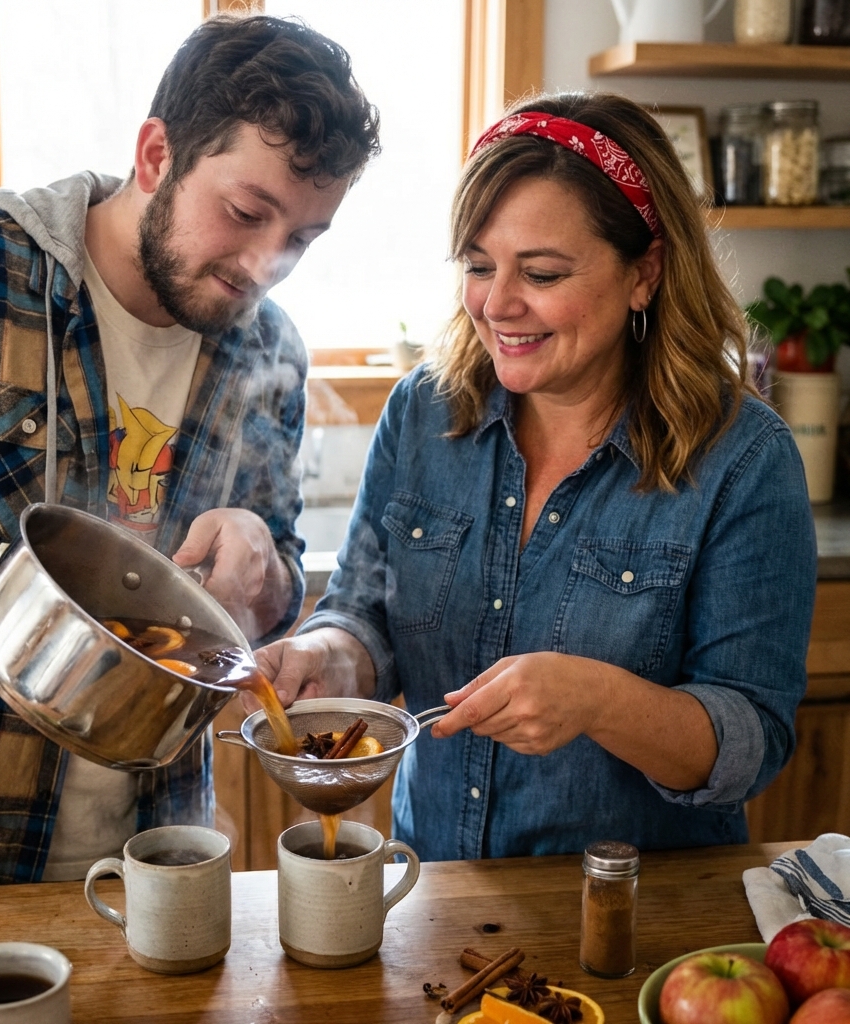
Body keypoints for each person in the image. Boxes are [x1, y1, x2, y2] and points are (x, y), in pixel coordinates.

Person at [0, 13, 380, 891]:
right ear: (157, 155)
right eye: (246, 213)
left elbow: (271, 595)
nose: (266, 264)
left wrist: (260, 563)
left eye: (303, 239)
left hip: (158, 864)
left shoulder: (266, 344)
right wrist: (56, 599)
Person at [256, 92, 816, 862]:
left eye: (543, 273)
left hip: (632, 922)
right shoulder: (424, 413)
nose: (498, 304)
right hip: (434, 892)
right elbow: (366, 616)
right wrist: (328, 655)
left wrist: (598, 700)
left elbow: (752, 742)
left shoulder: (743, 460)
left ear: (644, 272)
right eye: (479, 266)